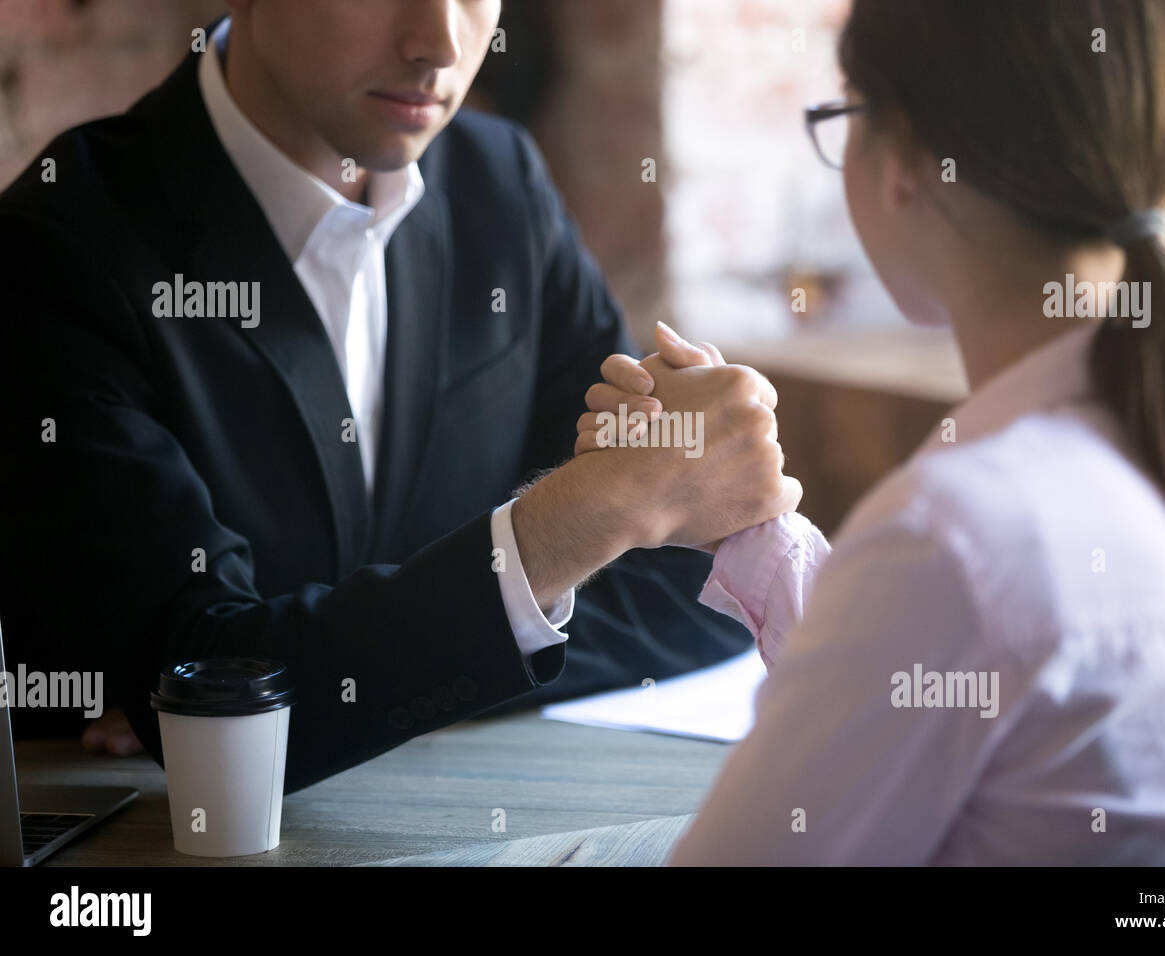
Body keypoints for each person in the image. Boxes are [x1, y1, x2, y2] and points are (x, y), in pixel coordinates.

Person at [0, 0, 800, 793]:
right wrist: (577, 523)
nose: (440, 42)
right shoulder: (61, 246)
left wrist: (340, 690)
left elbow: (688, 590)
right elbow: (209, 711)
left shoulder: (501, 183)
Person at [578, 0, 1165, 863]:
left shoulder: (954, 535)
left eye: (843, 117)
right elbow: (920, 674)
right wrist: (752, 528)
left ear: (906, 162)